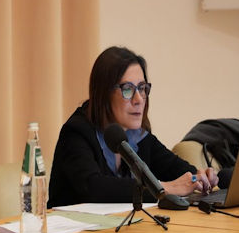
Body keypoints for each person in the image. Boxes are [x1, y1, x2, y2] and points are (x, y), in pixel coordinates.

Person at [48, 46, 219, 207]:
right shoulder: (77, 132)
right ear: (104, 93)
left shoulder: (138, 135)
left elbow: (177, 170)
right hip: (74, 228)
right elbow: (95, 189)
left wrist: (201, 177)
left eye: (142, 88)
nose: (138, 99)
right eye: (127, 89)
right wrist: (165, 188)